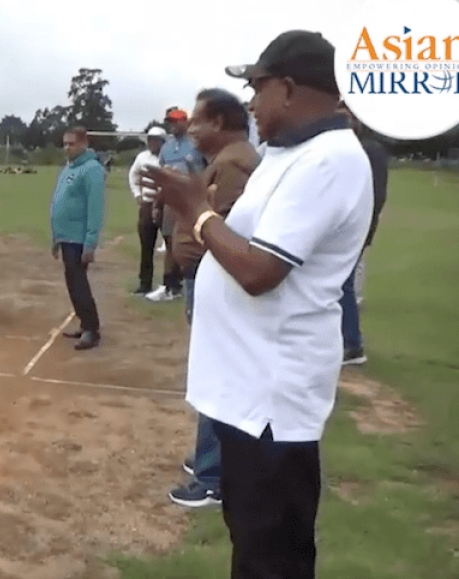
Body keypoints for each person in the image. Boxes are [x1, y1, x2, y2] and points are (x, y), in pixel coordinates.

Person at [142, 29, 373, 578]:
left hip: (272, 405)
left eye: (257, 88)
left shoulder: (329, 161)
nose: (250, 102)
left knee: (271, 559)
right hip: (245, 395)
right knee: (252, 545)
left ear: (289, 89)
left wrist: (197, 211)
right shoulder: (288, 154)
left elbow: (259, 270)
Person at [166, 88, 261, 509]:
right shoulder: (224, 163)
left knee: (217, 377)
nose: (191, 130)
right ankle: (209, 460)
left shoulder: (234, 165)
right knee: (212, 373)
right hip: (203, 275)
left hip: (216, 277)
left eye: (198, 122)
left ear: (219, 123)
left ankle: (213, 476)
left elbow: (224, 233)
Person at [336, 101, 390, 365]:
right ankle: (346, 340)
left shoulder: (368, 150)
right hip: (351, 224)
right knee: (339, 282)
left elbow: (375, 194)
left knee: (342, 284)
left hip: (356, 225)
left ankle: (352, 344)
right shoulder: (351, 147)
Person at [50, 126, 106, 351]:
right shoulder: (69, 167)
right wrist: (56, 238)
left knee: (79, 284)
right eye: (64, 143)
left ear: (84, 144)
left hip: (79, 238)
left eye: (71, 143)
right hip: (65, 237)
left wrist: (90, 242)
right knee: (72, 284)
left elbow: (95, 208)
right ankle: (85, 324)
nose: (67, 148)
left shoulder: (92, 169)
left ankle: (92, 329)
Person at [148, 107, 203, 302]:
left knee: (189, 243)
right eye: (170, 122)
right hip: (171, 200)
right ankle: (169, 284)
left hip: (191, 200)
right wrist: (157, 203)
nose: (173, 125)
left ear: (185, 122)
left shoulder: (197, 145)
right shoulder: (167, 148)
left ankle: (187, 282)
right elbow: (163, 177)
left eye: (177, 121)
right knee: (170, 241)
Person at [128, 127, 168, 294]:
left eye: (156, 140)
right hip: (147, 204)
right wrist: (137, 194)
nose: (152, 143)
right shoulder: (142, 158)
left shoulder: (168, 157)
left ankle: (170, 284)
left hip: (167, 206)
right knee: (146, 245)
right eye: (150, 139)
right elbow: (133, 175)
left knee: (172, 246)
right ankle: (145, 283)